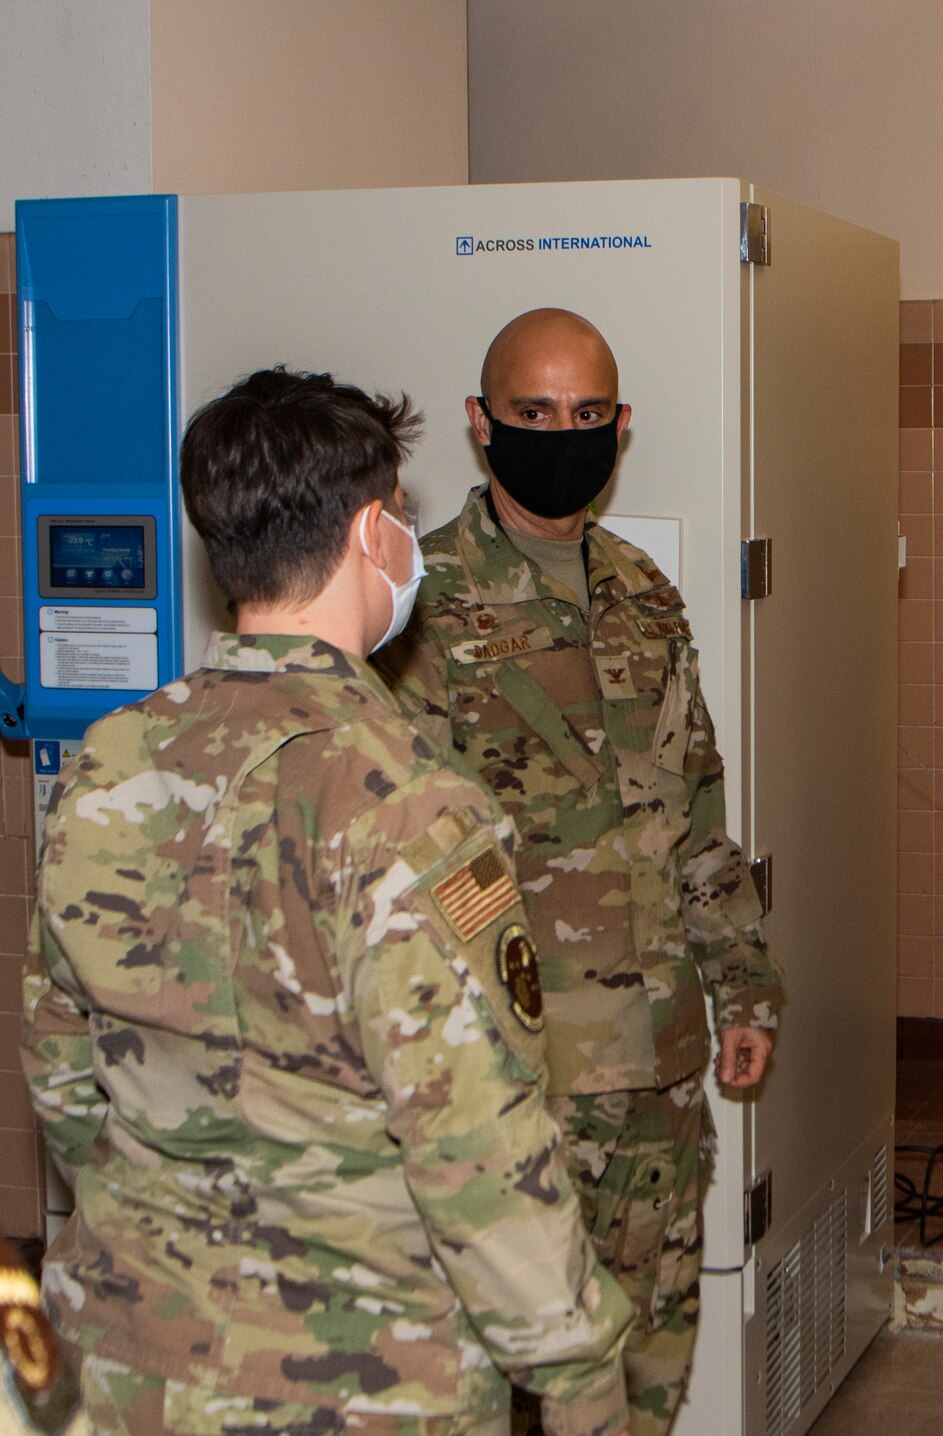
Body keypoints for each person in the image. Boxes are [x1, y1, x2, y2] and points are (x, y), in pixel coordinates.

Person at [23, 368, 634, 1436]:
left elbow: (61, 1063)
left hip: (128, 1360)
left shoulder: (108, 761)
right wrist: (577, 1368)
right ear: (371, 532)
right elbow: (474, 1140)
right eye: (400, 513)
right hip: (359, 1379)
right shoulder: (408, 802)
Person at [378, 309, 781, 1432]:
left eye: (586, 413)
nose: (564, 433)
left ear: (621, 425)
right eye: (535, 413)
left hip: (658, 1072)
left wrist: (742, 981)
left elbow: (693, 809)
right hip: (513, 1081)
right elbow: (401, 858)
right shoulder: (421, 604)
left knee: (645, 1363)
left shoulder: (643, 592)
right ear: (479, 423)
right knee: (502, 1382)